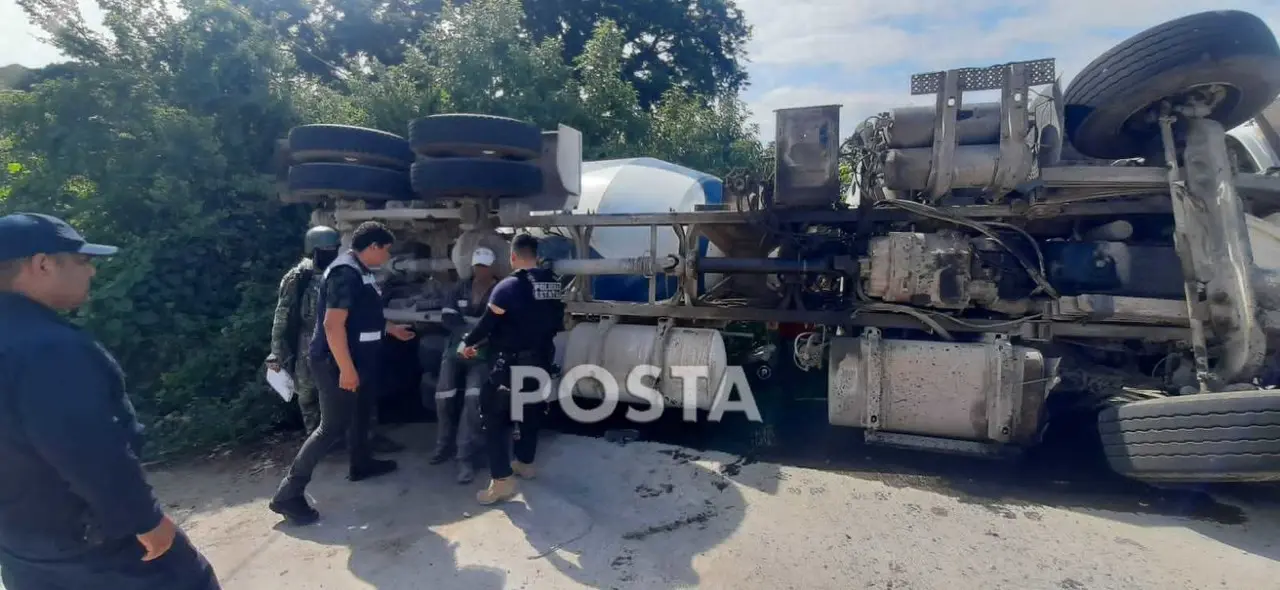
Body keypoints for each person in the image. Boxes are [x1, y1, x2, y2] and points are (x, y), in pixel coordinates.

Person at [0, 213, 221, 590]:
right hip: (93, 543)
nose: (92, 273)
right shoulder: (48, 349)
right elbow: (87, 450)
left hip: (21, 544)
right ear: (42, 264)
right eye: (83, 261)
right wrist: (144, 520)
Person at [269, 221, 416, 526]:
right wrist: (347, 370)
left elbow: (359, 317)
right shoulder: (344, 274)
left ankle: (361, 463)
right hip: (336, 364)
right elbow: (332, 326)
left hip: (358, 360)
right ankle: (288, 494)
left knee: (362, 411)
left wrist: (390, 329)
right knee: (331, 427)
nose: (386, 257)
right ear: (372, 247)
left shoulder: (360, 272)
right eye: (385, 250)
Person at [461, 233, 564, 505]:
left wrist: (467, 343)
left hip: (511, 363)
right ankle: (525, 462)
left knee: (494, 417)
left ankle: (502, 481)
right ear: (537, 255)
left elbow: (487, 324)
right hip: (541, 360)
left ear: (513, 257)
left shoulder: (508, 287)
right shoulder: (553, 283)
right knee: (530, 411)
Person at [428, 246, 500, 484]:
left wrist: (475, 340)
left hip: (483, 352)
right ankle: (442, 445)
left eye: (485, 267)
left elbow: (499, 324)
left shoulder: (499, 291)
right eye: (477, 266)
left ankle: (465, 456)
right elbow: (449, 317)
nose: (480, 271)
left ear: (492, 267)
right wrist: (466, 336)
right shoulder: (459, 287)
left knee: (472, 398)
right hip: (456, 349)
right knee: (443, 394)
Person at [267, 225, 341, 434]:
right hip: (307, 338)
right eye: (327, 251)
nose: (332, 254)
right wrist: (276, 351)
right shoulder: (298, 277)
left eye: (334, 250)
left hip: (336, 337)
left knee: (340, 389)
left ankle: (342, 436)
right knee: (307, 392)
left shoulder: (338, 273)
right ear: (314, 251)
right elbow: (283, 315)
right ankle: (314, 435)